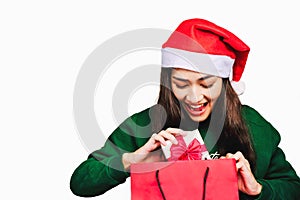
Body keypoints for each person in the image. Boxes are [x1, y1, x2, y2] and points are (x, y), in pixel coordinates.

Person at [70, 18, 300, 199]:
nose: (194, 97)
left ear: (224, 82)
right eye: (181, 84)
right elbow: (80, 183)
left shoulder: (253, 124)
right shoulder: (143, 125)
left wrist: (258, 189)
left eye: (206, 83)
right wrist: (132, 161)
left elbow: (292, 188)